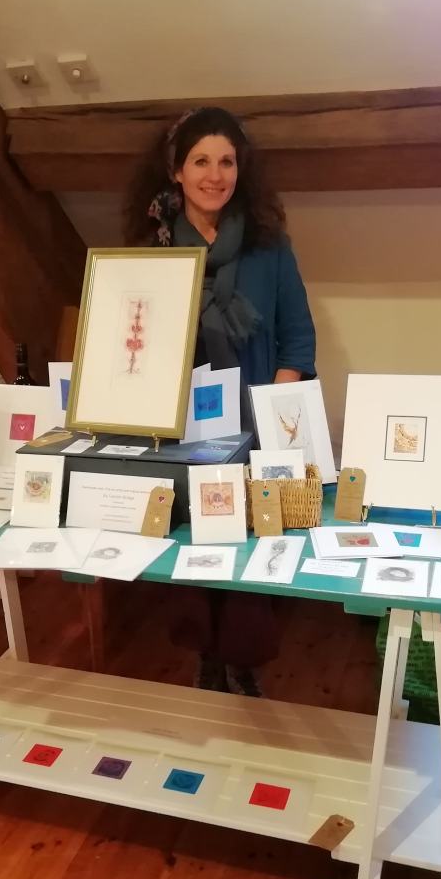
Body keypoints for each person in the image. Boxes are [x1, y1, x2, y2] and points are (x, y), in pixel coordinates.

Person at [123, 106, 317, 696]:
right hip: (184, 428)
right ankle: (204, 655)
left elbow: (297, 337)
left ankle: (243, 661)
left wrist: (270, 418)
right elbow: (135, 340)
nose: (215, 175)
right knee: (192, 541)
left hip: (255, 424)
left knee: (250, 545)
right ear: (176, 171)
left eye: (227, 162)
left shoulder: (269, 246)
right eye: (201, 161)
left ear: (241, 169)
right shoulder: (152, 249)